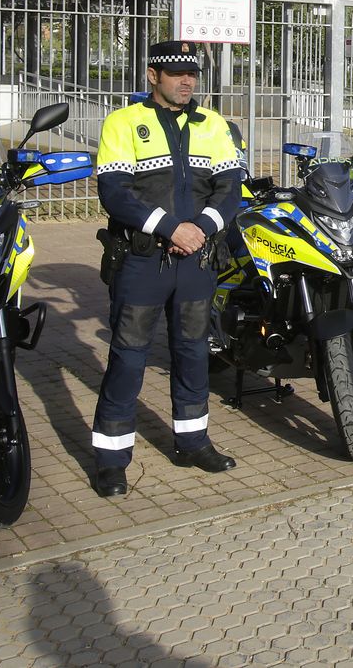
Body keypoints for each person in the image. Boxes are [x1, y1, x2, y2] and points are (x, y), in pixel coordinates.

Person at [90, 41, 243, 498]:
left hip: (197, 260)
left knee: (194, 352)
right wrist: (172, 229)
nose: (186, 80)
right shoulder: (123, 122)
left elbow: (230, 189)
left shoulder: (213, 124)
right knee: (128, 355)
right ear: (152, 74)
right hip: (142, 260)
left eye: (192, 73)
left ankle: (192, 441)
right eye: (176, 72)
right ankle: (112, 460)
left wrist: (199, 229)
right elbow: (115, 193)